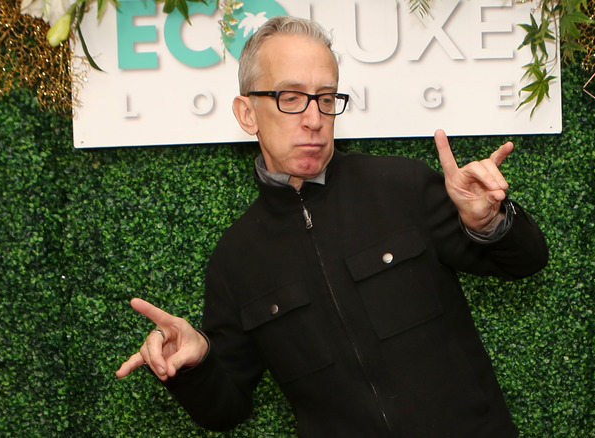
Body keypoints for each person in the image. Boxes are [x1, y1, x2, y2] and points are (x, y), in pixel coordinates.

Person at [116, 16, 548, 437]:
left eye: (326, 98)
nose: (314, 118)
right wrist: (196, 362)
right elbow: (225, 408)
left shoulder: (403, 187)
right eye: (290, 97)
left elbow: (527, 260)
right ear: (247, 114)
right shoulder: (235, 260)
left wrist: (490, 220)